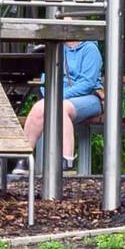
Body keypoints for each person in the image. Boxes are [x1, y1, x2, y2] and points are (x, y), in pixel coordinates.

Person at [16, 38, 104, 174]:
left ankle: (67, 161)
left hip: (88, 98)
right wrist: (51, 95)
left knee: (61, 108)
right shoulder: (56, 48)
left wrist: (57, 96)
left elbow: (88, 83)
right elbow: (46, 78)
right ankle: (24, 157)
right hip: (59, 96)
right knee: (38, 108)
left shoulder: (90, 49)